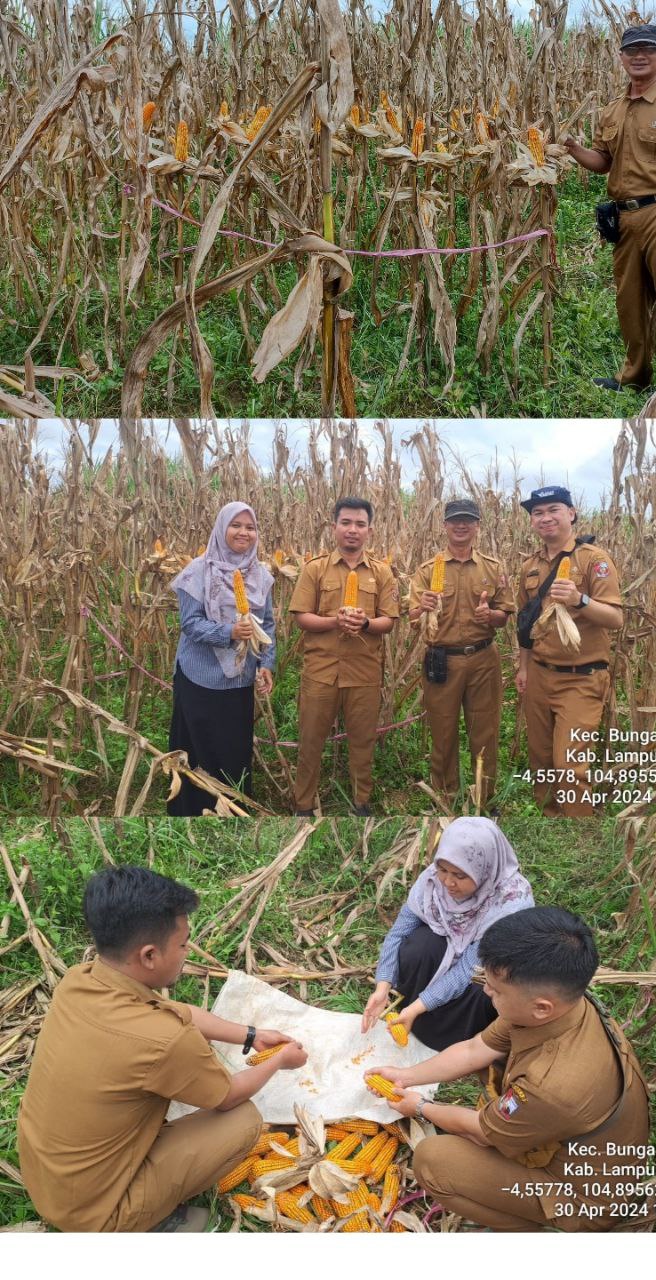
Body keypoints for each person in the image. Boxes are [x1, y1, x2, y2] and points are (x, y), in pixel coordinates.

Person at [17, 865, 307, 1233]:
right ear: (150, 956)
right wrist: (279, 1060)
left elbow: (176, 1011)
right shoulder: (165, 1041)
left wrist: (251, 1035)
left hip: (47, 1180)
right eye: (183, 944)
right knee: (243, 1120)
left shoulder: (80, 981)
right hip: (95, 1216)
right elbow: (228, 1097)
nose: (187, 952)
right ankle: (148, 1224)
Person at [365, 906, 649, 1233]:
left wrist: (420, 1107)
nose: (486, 991)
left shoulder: (550, 1087)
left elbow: (481, 1131)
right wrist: (407, 1076)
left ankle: (541, 1232)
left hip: (582, 1197)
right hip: (575, 1140)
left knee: (433, 1161)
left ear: (541, 1007)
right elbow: (475, 1049)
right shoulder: (558, 1007)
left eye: (496, 990)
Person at [565, 23, 656, 417]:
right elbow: (603, 162)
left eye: (649, 48)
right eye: (632, 49)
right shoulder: (613, 110)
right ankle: (635, 375)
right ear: (620, 57)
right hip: (627, 218)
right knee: (629, 302)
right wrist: (572, 148)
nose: (639, 55)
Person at [361, 818, 534, 1051]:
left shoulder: (509, 903)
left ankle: (446, 1032)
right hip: (446, 953)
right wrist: (382, 987)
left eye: (460, 876)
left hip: (479, 970)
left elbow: (466, 970)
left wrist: (416, 1008)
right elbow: (399, 933)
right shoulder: (432, 881)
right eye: (443, 870)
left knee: (485, 990)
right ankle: (414, 1006)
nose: (448, 882)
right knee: (420, 946)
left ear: (484, 870)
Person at [288, 497, 399, 816]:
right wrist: (334, 621)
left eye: (360, 524)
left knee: (363, 743)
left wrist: (365, 623)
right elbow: (301, 617)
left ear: (370, 530)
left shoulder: (382, 573)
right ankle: (303, 805)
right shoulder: (315, 569)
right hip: (321, 672)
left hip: (364, 674)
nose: (353, 530)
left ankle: (361, 803)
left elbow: (389, 621)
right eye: (346, 522)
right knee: (310, 741)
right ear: (334, 527)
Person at [516, 487, 622, 818]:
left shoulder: (594, 560)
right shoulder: (530, 566)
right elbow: (525, 624)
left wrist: (579, 600)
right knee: (542, 761)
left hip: (582, 678)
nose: (545, 517)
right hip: (539, 674)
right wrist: (524, 668)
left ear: (571, 514)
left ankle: (580, 831)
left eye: (553, 509)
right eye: (538, 512)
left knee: (569, 766)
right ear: (532, 521)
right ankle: (550, 824)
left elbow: (616, 618)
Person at [167, 501, 275, 815]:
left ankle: (232, 809)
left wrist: (266, 664)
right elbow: (190, 623)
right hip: (199, 676)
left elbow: (267, 624)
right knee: (197, 747)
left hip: (239, 678)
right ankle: (191, 809)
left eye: (250, 527)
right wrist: (230, 632)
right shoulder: (197, 572)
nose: (244, 532)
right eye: (236, 525)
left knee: (233, 747)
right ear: (221, 528)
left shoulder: (261, 575)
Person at [409, 499, 514, 807]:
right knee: (443, 732)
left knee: (485, 732)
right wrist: (423, 608)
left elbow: (505, 615)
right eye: (455, 520)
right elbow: (412, 620)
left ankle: (484, 798)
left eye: (468, 520)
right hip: (442, 660)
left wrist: (490, 616)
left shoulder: (493, 568)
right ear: (445, 525)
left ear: (477, 525)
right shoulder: (427, 571)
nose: (461, 525)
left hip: (483, 659)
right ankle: (446, 797)